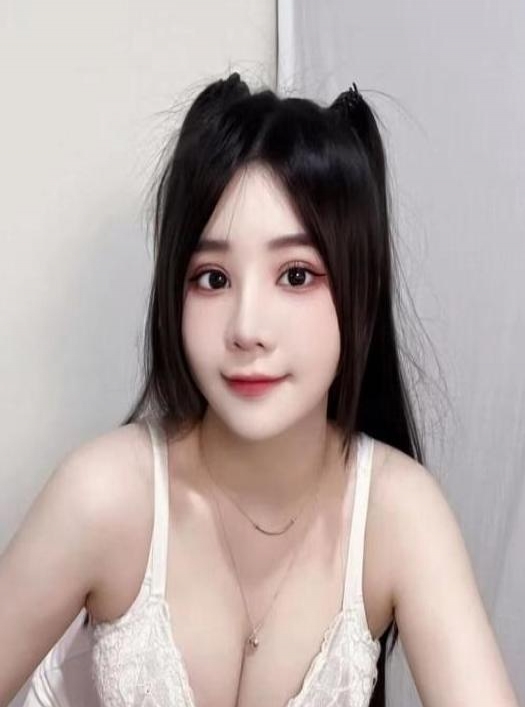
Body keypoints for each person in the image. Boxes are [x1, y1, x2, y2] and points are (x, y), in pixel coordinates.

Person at [0, 73, 518, 707]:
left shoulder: (397, 514)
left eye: (295, 275)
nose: (246, 329)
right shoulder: (105, 495)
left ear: (358, 288)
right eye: (213, 278)